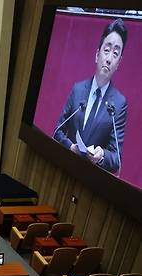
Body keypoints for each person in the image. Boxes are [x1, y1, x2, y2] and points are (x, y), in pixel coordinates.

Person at [53, 18, 128, 174]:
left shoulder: (119, 104)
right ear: (97, 54)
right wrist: (70, 147)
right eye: (106, 50)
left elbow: (116, 159)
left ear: (119, 64)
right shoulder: (78, 89)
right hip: (63, 170)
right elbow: (57, 131)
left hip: (91, 180)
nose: (108, 59)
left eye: (115, 53)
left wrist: (101, 156)